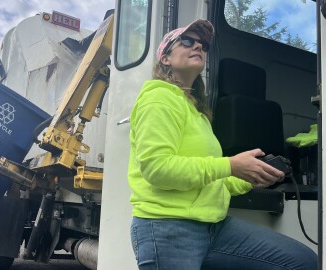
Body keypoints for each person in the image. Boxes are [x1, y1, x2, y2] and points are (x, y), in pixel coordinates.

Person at [127, 19, 318, 270]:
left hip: (214, 226)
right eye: (187, 41)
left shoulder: (197, 112)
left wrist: (251, 176)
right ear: (165, 58)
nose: (198, 46)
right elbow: (157, 169)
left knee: (303, 262)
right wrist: (230, 165)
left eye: (203, 45)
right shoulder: (159, 98)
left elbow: (212, 179)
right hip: (167, 227)